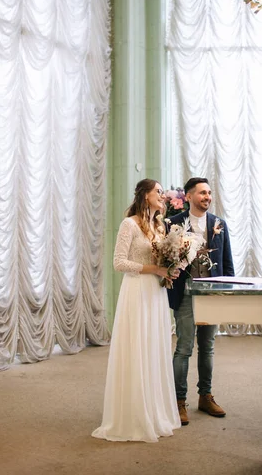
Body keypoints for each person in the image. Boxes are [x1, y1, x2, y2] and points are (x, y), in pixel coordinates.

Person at [92, 179, 181, 443]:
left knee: (154, 349)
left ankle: (155, 411)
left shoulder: (160, 225)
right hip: (137, 291)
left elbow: (161, 259)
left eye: (163, 193)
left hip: (156, 292)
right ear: (145, 196)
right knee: (137, 348)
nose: (163, 196)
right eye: (159, 192)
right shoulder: (129, 224)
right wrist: (154, 269)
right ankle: (133, 415)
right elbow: (119, 262)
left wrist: (170, 268)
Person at [167, 177, 235, 426]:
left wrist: (228, 292)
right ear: (188, 196)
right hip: (185, 293)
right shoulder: (173, 224)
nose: (207, 197)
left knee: (208, 347)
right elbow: (167, 261)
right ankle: (179, 401)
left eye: (209, 193)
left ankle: (205, 396)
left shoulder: (219, 224)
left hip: (213, 293)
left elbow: (227, 263)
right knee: (184, 347)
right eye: (202, 193)